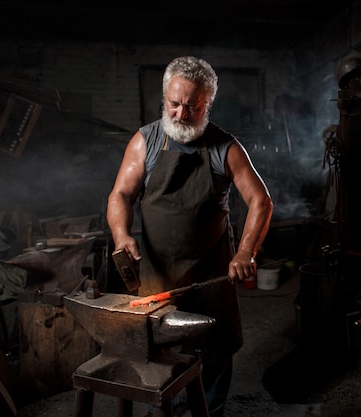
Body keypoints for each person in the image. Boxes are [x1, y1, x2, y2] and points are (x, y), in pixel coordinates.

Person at [106, 55, 273, 416]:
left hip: (211, 278)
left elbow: (260, 200)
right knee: (160, 363)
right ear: (165, 97)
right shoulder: (146, 141)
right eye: (174, 104)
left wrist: (245, 253)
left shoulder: (224, 148)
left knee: (212, 359)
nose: (181, 114)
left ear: (208, 103)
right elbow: (120, 195)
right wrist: (121, 236)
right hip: (157, 280)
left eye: (192, 107)